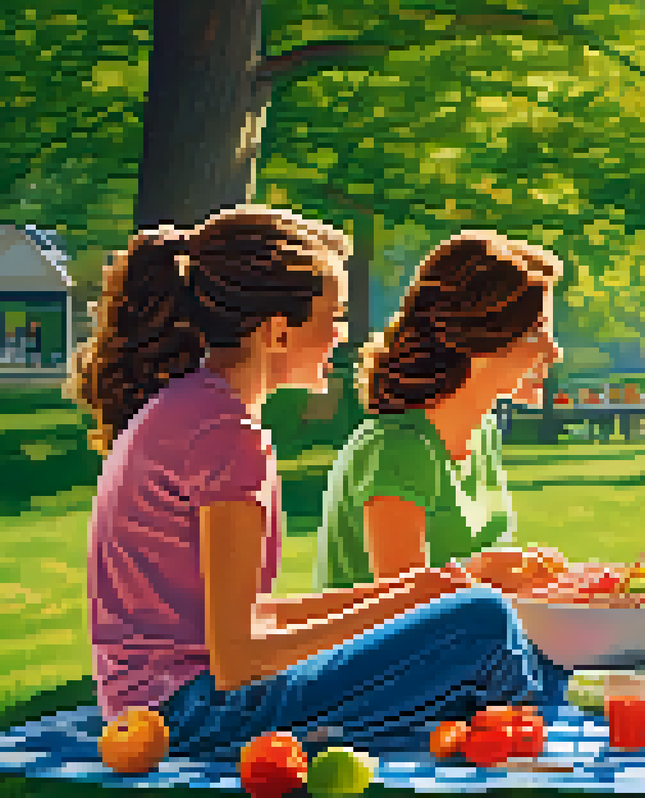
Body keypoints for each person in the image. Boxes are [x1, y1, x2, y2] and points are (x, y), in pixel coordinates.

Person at [74, 206, 558, 761]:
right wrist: (420, 603)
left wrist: (421, 591)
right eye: (333, 316)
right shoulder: (225, 436)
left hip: (173, 703)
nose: (342, 335)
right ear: (279, 332)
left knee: (468, 609)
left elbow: (250, 621)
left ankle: (509, 729)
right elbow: (239, 660)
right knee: (483, 622)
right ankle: (534, 751)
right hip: (193, 717)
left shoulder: (194, 410)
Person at [315, 231, 566, 590]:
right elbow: (402, 605)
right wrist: (480, 570)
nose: (553, 351)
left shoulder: (482, 435)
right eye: (535, 333)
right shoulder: (397, 450)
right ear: (479, 341)